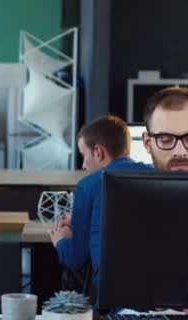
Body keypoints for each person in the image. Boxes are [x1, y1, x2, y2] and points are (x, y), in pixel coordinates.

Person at [50, 115, 151, 290]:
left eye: (83, 155)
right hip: (156, 292)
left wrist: (61, 241)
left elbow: (74, 258)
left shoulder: (87, 186)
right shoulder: (155, 176)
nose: (83, 165)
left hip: (112, 294)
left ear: (98, 152)